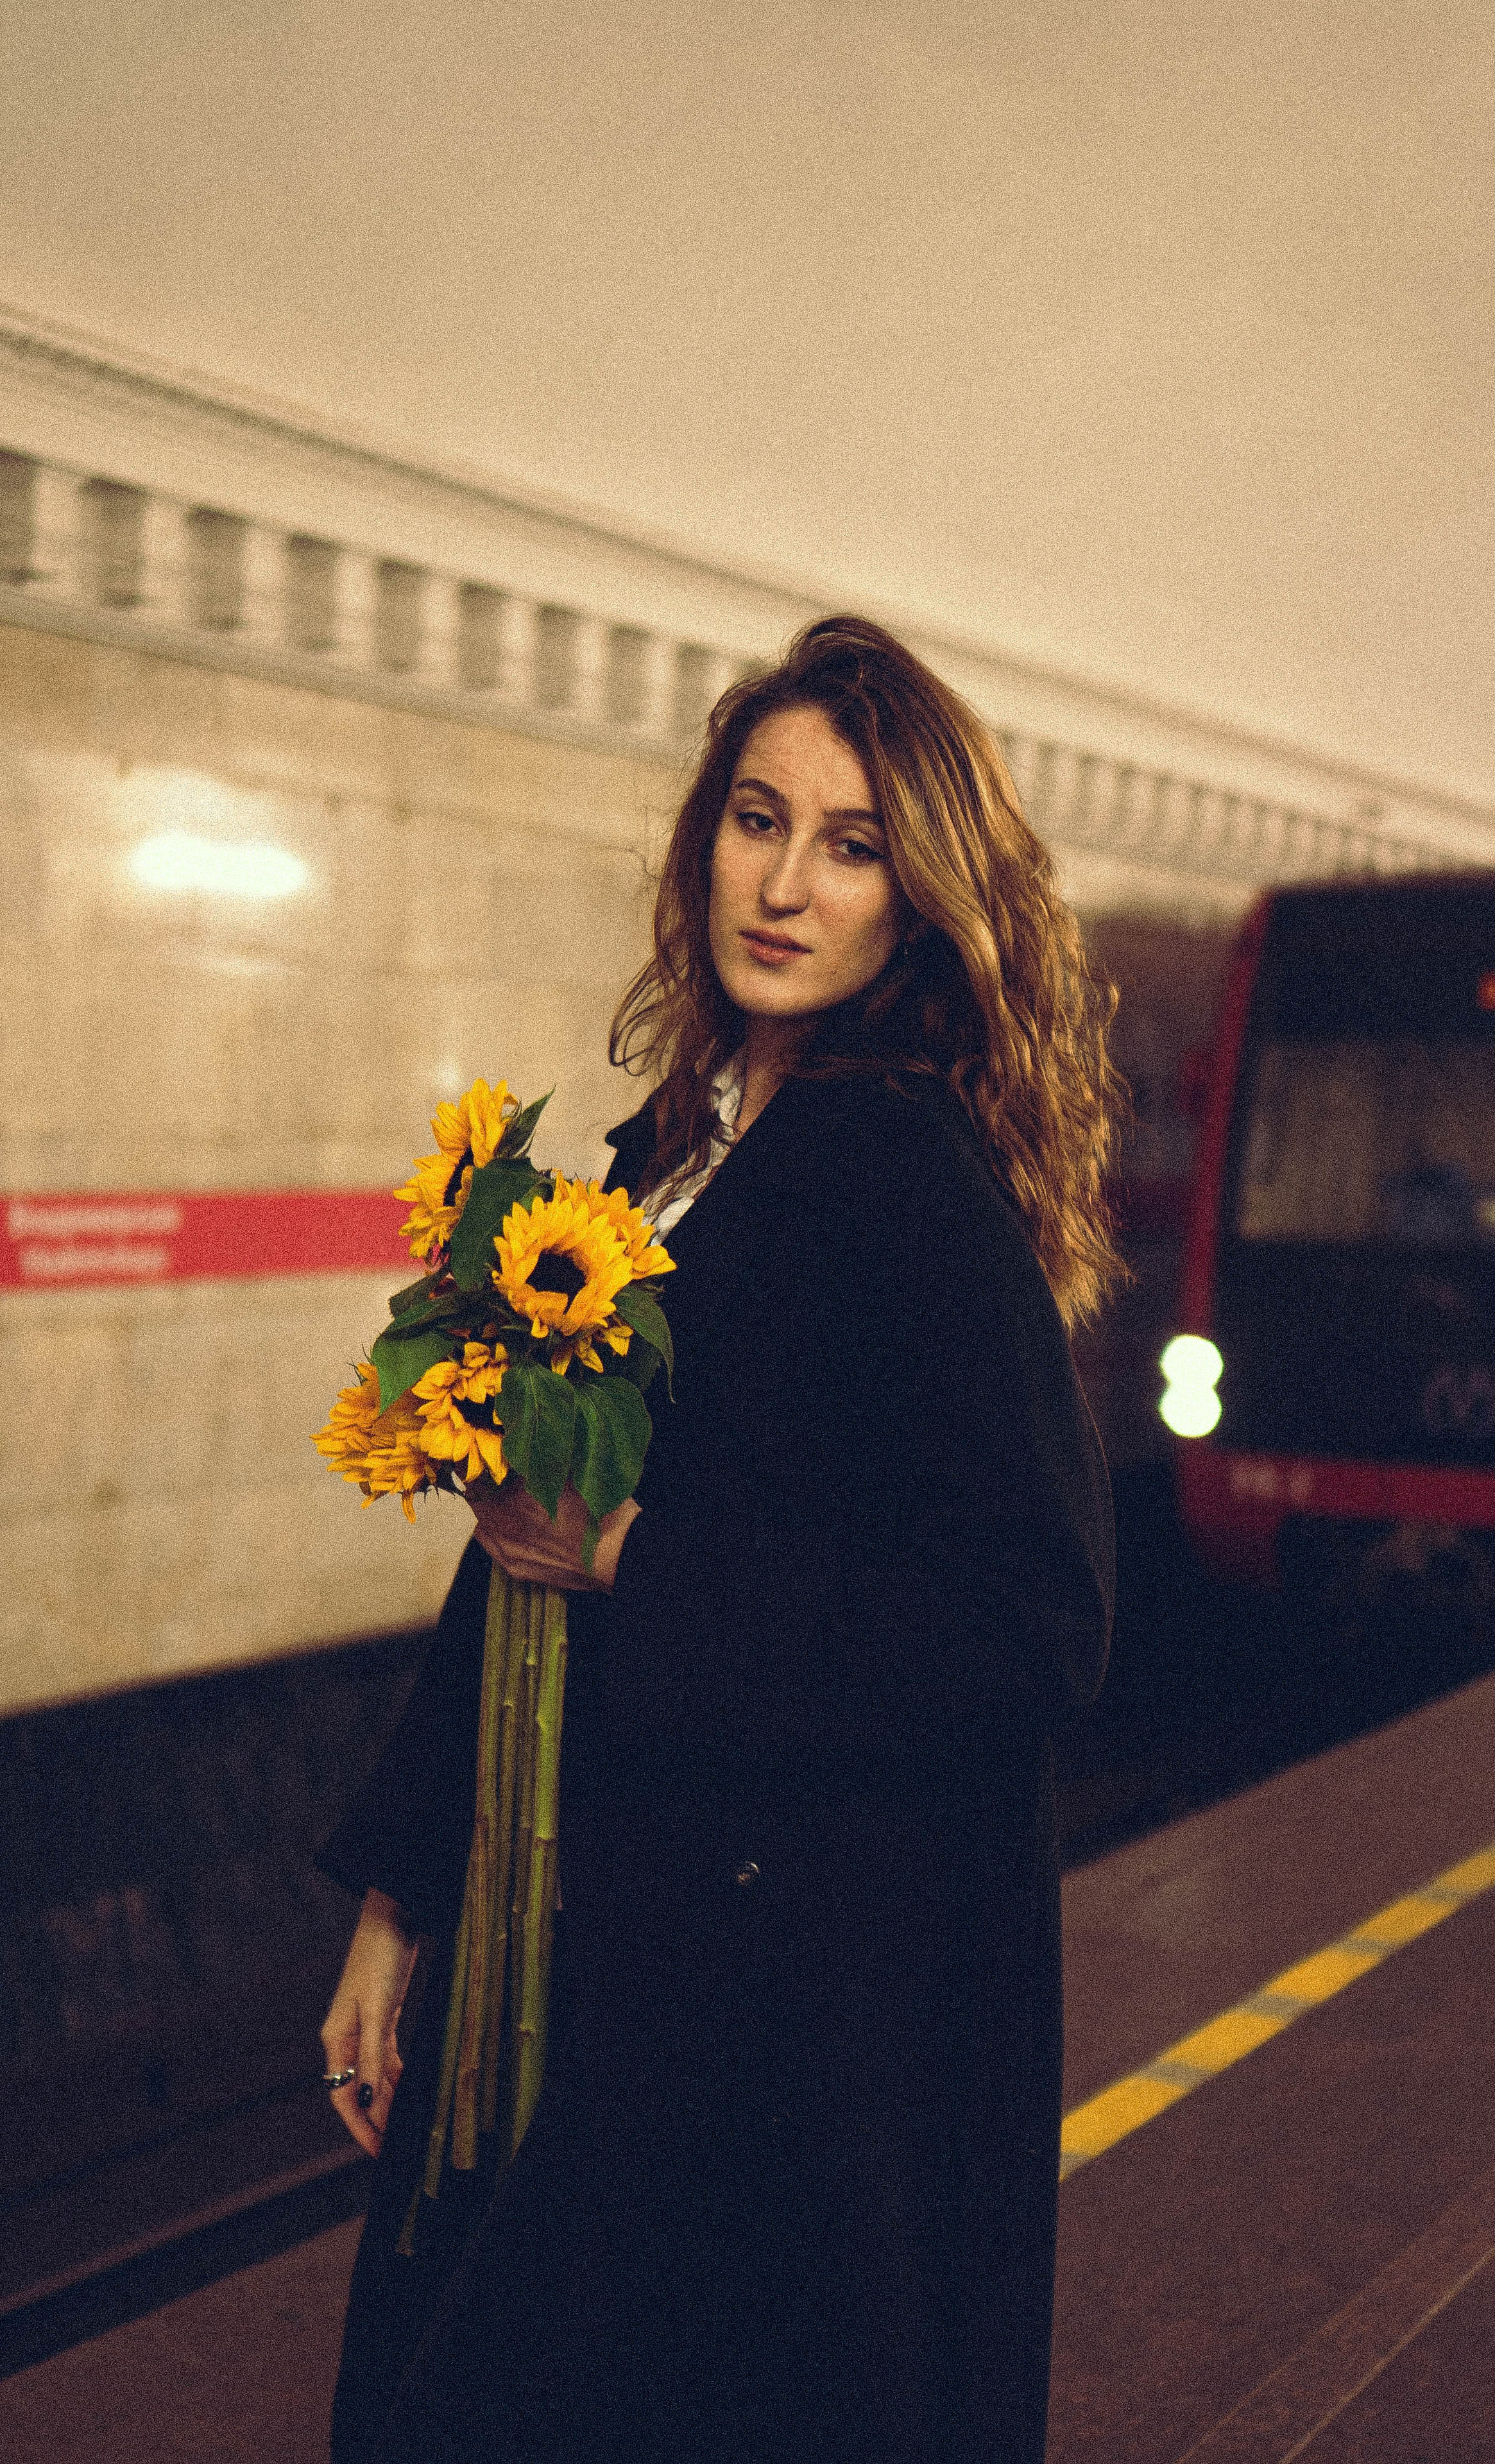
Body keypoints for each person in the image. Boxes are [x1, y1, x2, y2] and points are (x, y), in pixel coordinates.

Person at [316, 615, 1122, 2464]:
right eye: (758, 821)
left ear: (919, 901)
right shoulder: (666, 1152)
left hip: (787, 2015)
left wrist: (638, 1566)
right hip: (611, 1940)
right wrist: (401, 1887)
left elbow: (1033, 1623)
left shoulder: (897, 1171)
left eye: (852, 847)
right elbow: (518, 1551)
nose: (786, 884)